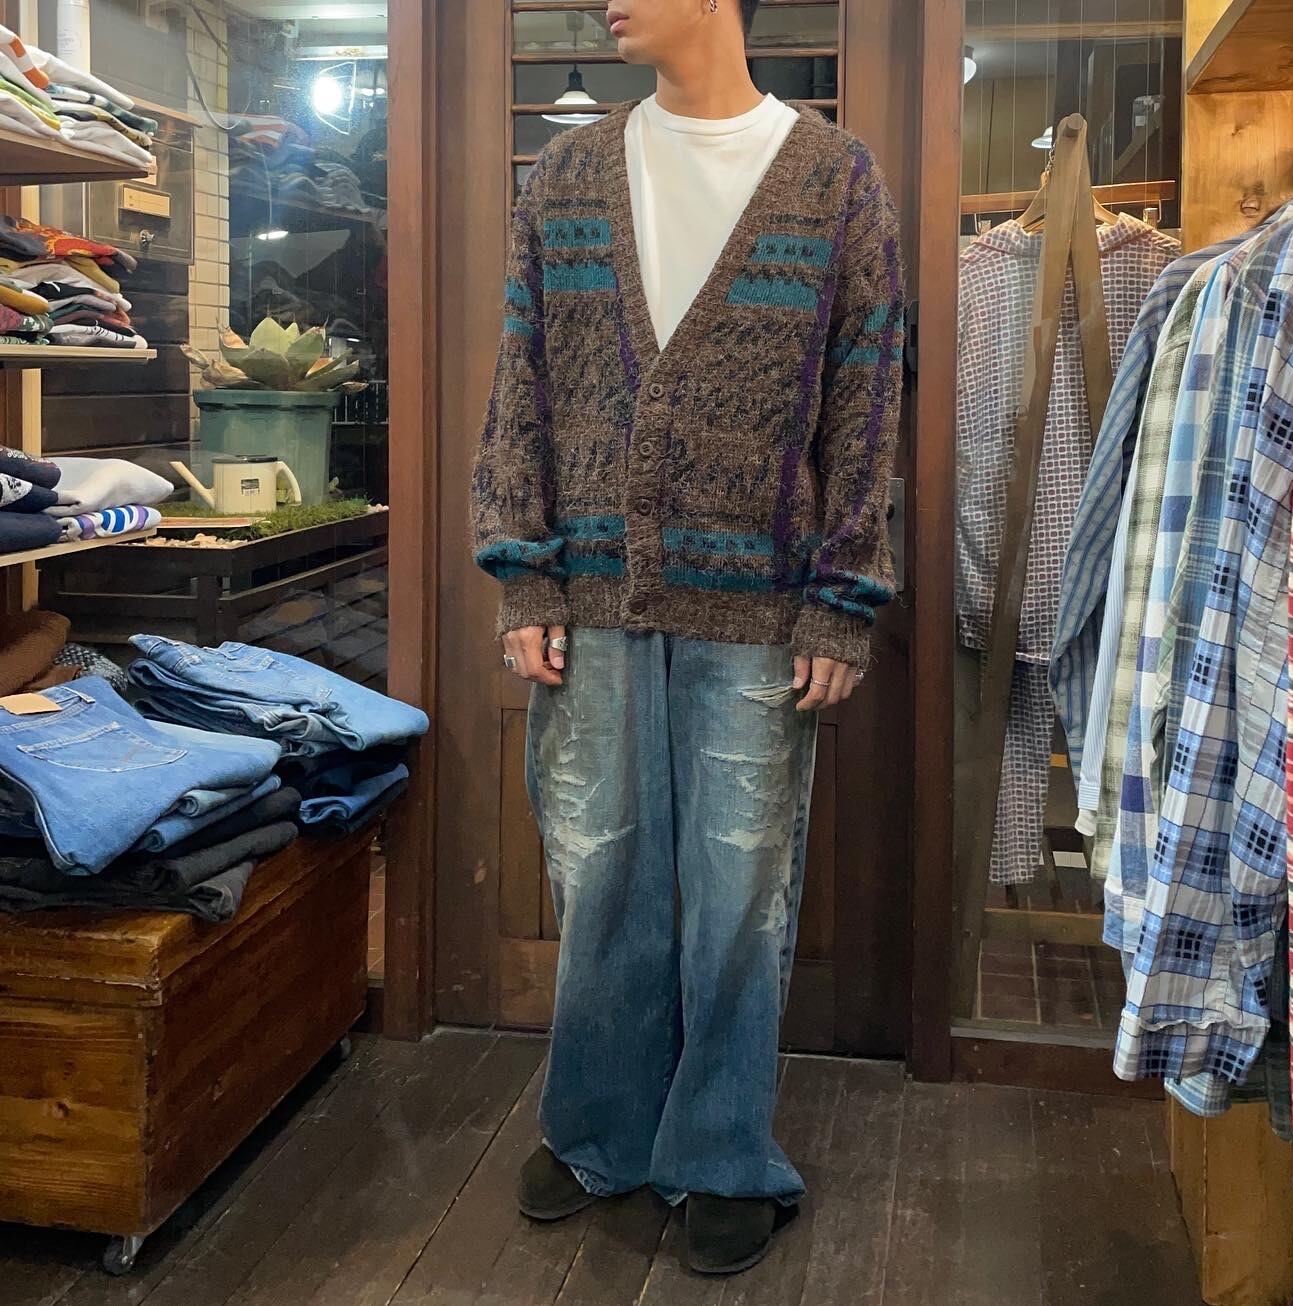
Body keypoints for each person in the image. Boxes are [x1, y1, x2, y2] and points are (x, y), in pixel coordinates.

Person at [471, 0, 904, 1276]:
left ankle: (720, 1149)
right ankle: (599, 1126)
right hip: (591, 597)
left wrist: (843, 594)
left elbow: (866, 398)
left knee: (739, 887)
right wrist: (524, 574)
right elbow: (520, 380)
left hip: (761, 606)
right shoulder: (567, 175)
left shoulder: (834, 179)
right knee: (599, 868)